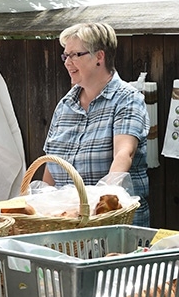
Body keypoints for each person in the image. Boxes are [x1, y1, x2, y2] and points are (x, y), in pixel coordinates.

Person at [43, 22, 150, 227]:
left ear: (99, 57)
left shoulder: (127, 99)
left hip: (114, 224)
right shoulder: (65, 105)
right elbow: (51, 164)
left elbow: (123, 155)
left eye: (75, 55)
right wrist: (39, 206)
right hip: (67, 225)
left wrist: (101, 206)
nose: (67, 62)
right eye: (65, 56)